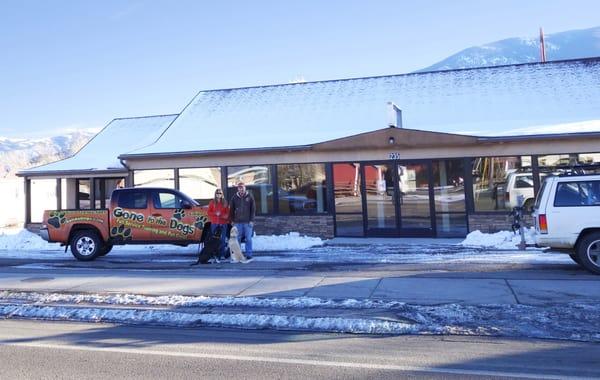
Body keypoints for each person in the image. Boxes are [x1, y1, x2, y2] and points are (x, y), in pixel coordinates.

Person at [229, 182, 256, 259]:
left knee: (248, 239)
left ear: (245, 188)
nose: (241, 189)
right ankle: (238, 255)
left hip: (248, 222)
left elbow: (253, 210)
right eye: (239, 188)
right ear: (238, 189)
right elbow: (231, 210)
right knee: (237, 239)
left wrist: (252, 220)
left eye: (242, 187)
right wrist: (232, 220)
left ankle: (249, 254)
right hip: (237, 223)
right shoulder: (234, 197)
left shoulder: (250, 196)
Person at [207, 188, 229, 260]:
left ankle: (221, 254)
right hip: (214, 223)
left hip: (223, 223)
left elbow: (227, 213)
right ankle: (214, 254)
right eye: (217, 193)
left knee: (222, 239)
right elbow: (208, 212)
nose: (218, 194)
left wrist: (223, 215)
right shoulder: (212, 202)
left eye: (220, 193)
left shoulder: (225, 203)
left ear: (222, 194)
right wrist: (215, 213)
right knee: (214, 240)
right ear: (215, 194)